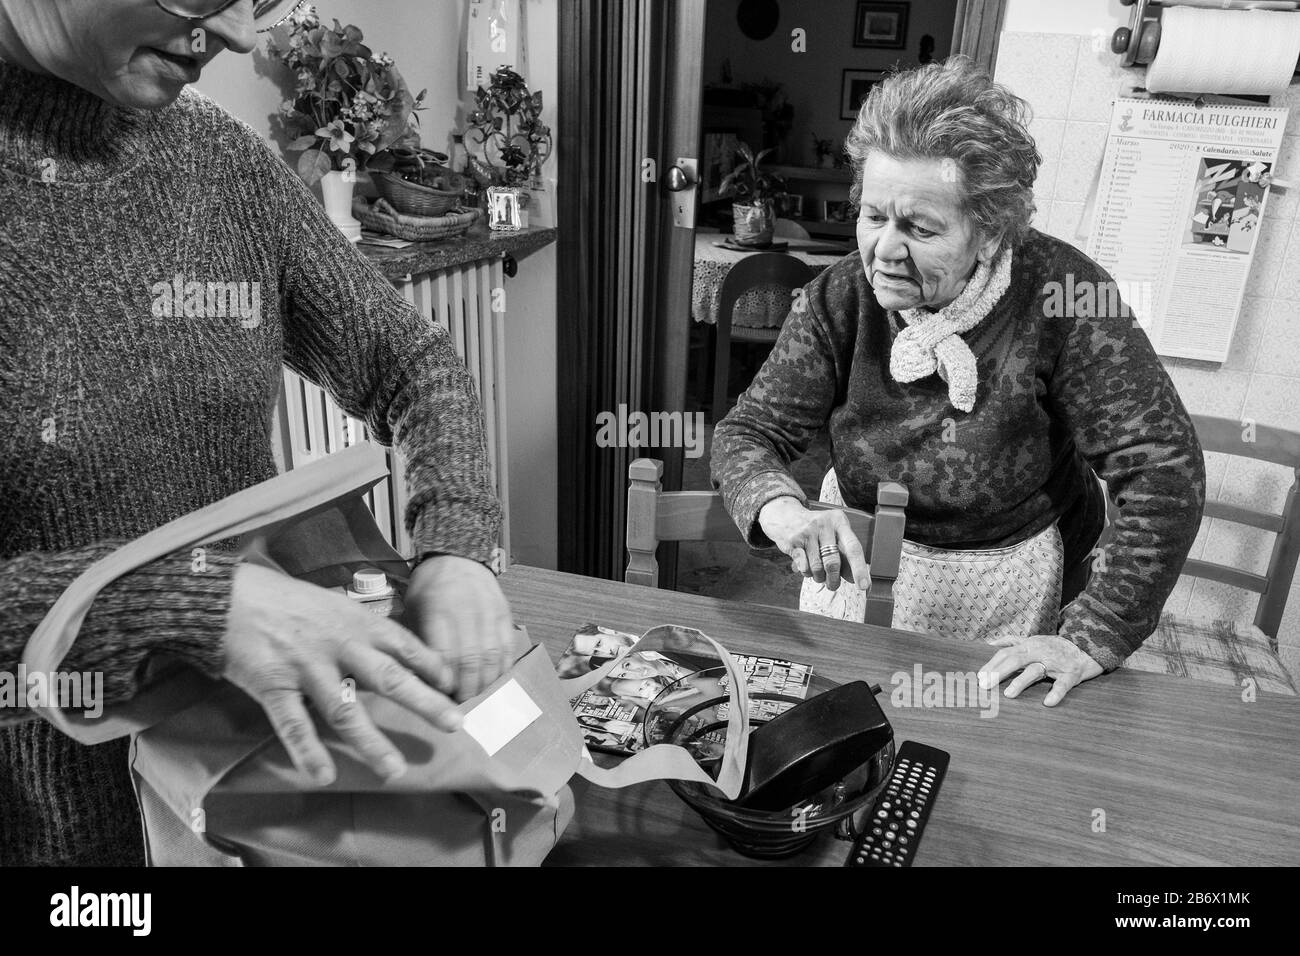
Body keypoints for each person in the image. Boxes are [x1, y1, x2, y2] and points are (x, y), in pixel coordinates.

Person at [0, 0, 522, 865]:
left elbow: (413, 362)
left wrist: (458, 542)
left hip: (257, 808)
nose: (240, 36)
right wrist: (187, 607)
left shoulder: (218, 159)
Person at [711, 58, 1205, 707]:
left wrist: (1094, 635)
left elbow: (1164, 471)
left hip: (1006, 583)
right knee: (845, 726)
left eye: (919, 228)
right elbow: (749, 432)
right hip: (856, 566)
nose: (884, 249)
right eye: (871, 215)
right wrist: (783, 509)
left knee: (973, 751)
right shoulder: (839, 298)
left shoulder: (1064, 294)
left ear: (990, 229)